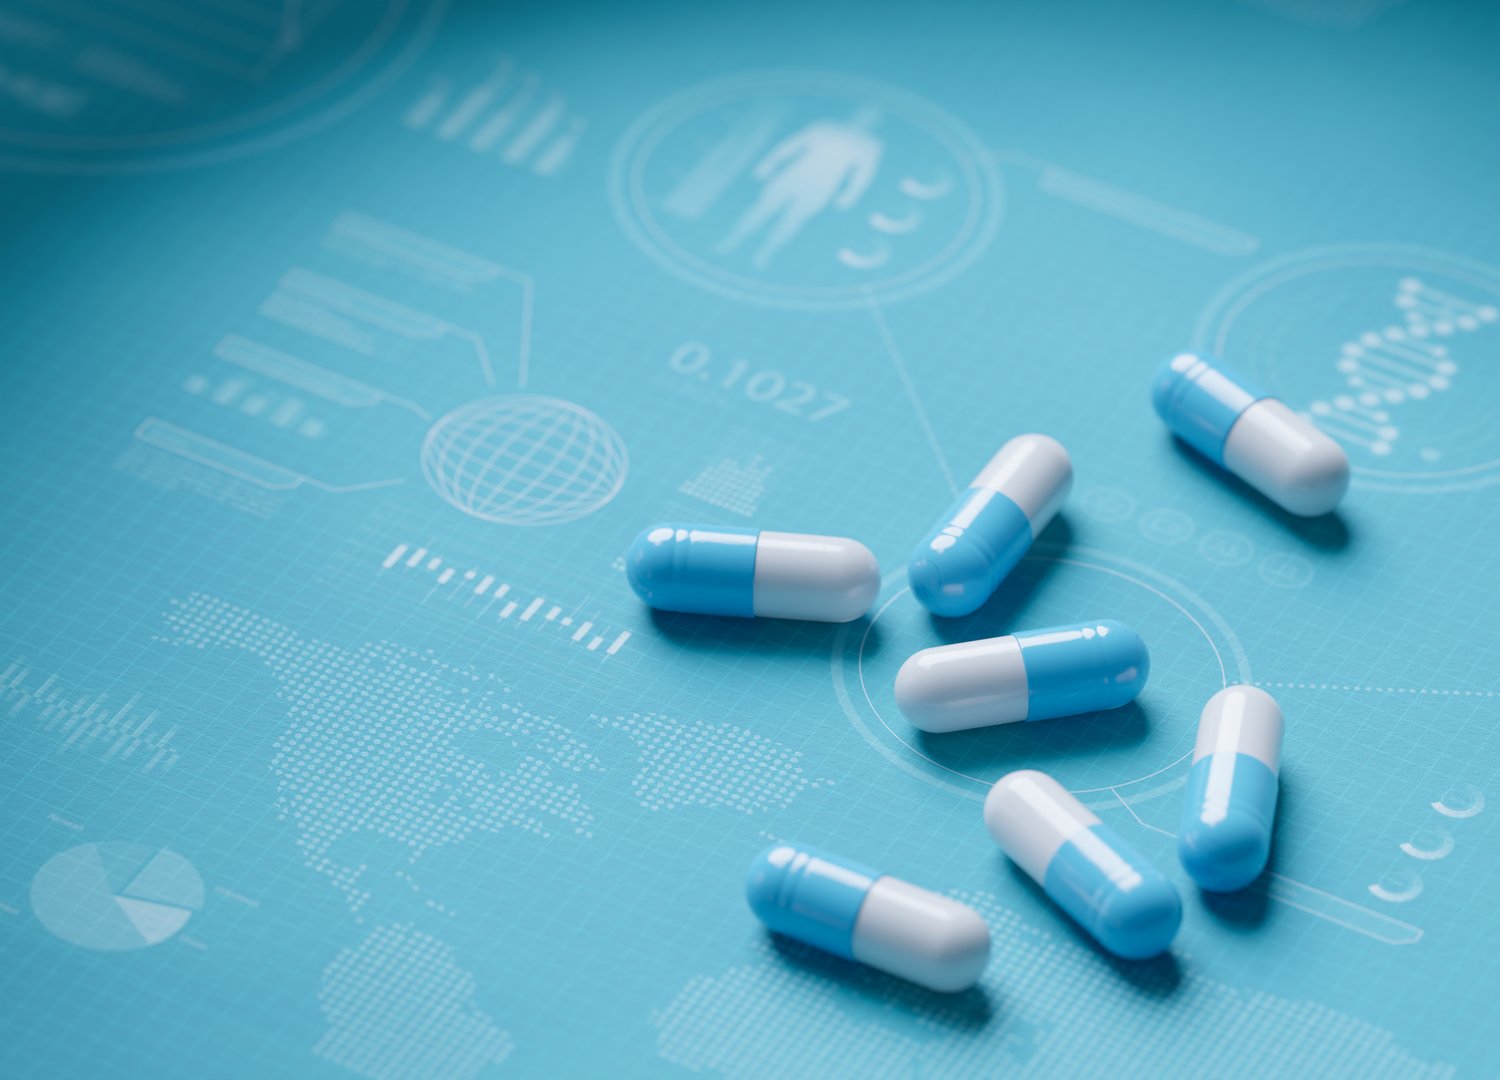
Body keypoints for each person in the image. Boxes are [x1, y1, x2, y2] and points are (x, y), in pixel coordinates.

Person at [716, 106, 884, 269]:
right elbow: (791, 144)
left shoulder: (870, 144)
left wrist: (849, 196)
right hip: (793, 176)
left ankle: (764, 253)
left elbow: (864, 175)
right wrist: (767, 165)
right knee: (760, 209)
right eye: (863, 112)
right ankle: (730, 242)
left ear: (875, 121)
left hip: (821, 188)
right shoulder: (825, 126)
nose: (865, 117)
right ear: (856, 111)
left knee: (791, 223)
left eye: (871, 116)